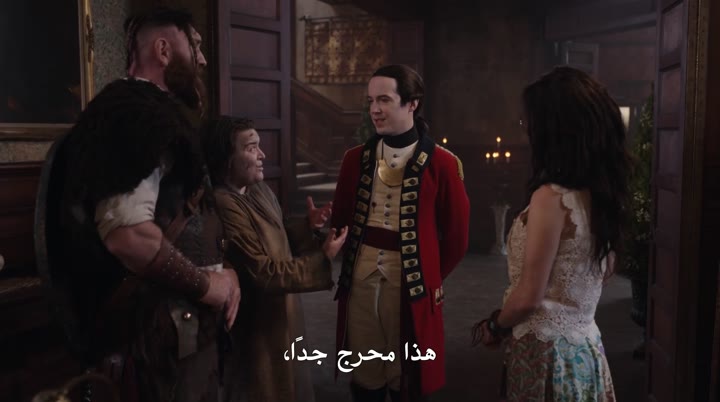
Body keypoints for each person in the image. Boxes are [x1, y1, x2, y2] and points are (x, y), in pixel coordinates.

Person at [53, 7, 240, 402]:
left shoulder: (152, 114)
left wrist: (225, 275)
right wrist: (208, 285)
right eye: (196, 46)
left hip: (179, 331)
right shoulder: (134, 116)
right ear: (164, 50)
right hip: (152, 340)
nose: (203, 60)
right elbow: (129, 237)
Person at [473, 66, 628, 401]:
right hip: (586, 347)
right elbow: (601, 274)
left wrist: (495, 325)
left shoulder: (552, 197)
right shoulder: (600, 194)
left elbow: (529, 296)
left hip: (547, 353)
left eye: (530, 122)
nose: (527, 130)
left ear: (554, 130)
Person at [330, 64, 470, 401]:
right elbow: (341, 220)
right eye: (370, 101)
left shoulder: (443, 164)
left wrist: (427, 275)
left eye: (384, 100)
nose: (374, 109)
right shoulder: (354, 160)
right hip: (360, 282)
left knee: (407, 378)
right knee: (365, 377)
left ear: (412, 103)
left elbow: (456, 239)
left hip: (410, 287)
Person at [203, 116, 348, 402]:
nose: (262, 155)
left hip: (282, 313)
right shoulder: (223, 203)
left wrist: (307, 226)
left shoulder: (259, 189)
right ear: (227, 159)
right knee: (263, 385)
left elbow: (279, 238)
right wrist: (323, 258)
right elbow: (261, 271)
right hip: (256, 323)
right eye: (251, 148)